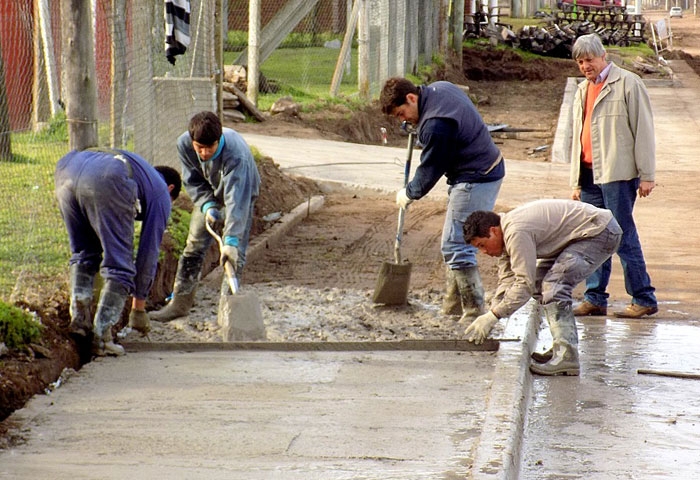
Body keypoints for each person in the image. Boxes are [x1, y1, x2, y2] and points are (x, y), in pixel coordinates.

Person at [380, 77, 505, 321]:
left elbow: (431, 169)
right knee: (459, 242)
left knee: (454, 245)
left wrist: (409, 192)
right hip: (484, 168)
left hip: (476, 176)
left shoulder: (436, 124)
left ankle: (473, 312)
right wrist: (415, 125)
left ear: (411, 98)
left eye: (401, 113)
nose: (402, 120)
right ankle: (453, 306)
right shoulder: (441, 89)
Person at [462, 199, 622, 376]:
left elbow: (524, 284)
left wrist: (494, 316)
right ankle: (561, 347)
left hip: (599, 232)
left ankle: (566, 355)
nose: (484, 252)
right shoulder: (506, 235)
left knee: (553, 286)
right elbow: (508, 279)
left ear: (493, 231)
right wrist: (492, 313)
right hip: (583, 234)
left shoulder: (515, 232)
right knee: (541, 284)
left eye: (482, 245)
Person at [55, 148, 182, 356]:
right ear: (171, 189)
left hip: (68, 170)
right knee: (120, 265)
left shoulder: (143, 173)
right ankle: (102, 337)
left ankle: (80, 321)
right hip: (108, 178)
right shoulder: (161, 193)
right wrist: (138, 307)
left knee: (84, 252)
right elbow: (148, 253)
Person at [569, 33, 658, 319]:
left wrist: (647, 174)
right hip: (588, 175)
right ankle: (595, 297)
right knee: (593, 237)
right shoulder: (583, 89)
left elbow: (644, 131)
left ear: (603, 56)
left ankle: (643, 297)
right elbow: (577, 137)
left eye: (590, 60)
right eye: (581, 62)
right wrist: (575, 181)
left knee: (622, 236)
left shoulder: (628, 84)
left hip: (617, 175)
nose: (586, 66)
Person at [150, 111, 261, 321]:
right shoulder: (184, 144)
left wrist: (230, 240)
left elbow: (236, 201)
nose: (203, 153)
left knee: (234, 253)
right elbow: (192, 181)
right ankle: (180, 304)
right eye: (199, 147)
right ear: (192, 141)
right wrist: (207, 204)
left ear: (218, 141)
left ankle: (228, 308)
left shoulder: (235, 155)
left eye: (209, 147)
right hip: (209, 193)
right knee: (193, 246)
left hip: (241, 191)